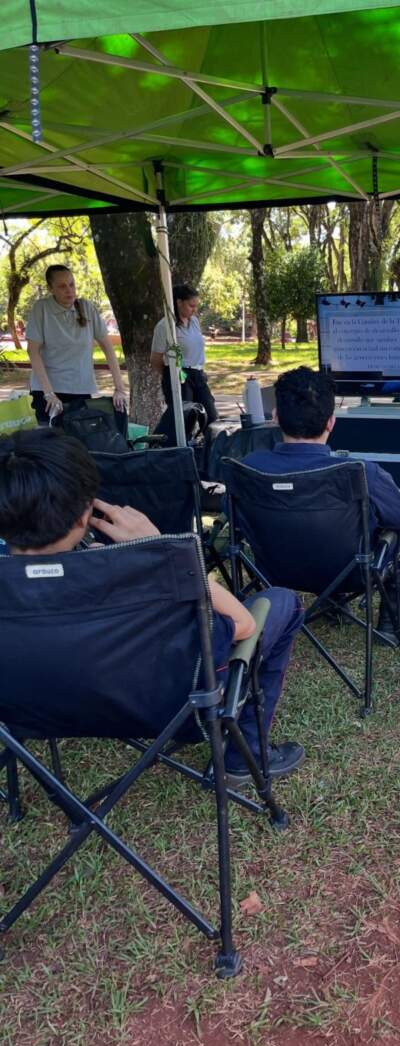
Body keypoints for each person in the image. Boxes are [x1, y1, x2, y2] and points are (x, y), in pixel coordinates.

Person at [0, 427, 304, 787]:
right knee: (282, 601)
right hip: (172, 713)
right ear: (87, 512)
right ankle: (246, 754)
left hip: (26, 713)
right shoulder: (141, 571)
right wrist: (158, 547)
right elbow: (242, 625)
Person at [243, 366, 400, 645]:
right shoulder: (360, 472)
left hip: (273, 571)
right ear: (331, 422)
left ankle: (334, 605)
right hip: (351, 575)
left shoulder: (247, 470)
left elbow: (234, 516)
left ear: (276, 417)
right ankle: (392, 619)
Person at [26, 264, 127, 424]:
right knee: (51, 443)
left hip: (81, 389)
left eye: (71, 284)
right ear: (50, 288)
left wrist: (120, 389)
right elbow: (33, 352)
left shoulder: (87, 307)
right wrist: (49, 394)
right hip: (48, 391)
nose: (69, 290)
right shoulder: (41, 309)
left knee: (78, 444)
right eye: (62, 286)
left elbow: (108, 348)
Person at [151, 283, 218, 424]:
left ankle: (211, 445)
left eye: (196, 306)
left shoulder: (194, 321)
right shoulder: (165, 326)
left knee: (211, 416)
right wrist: (170, 376)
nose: (194, 310)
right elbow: (156, 359)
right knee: (184, 420)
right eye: (191, 306)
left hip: (198, 374)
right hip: (179, 375)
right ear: (179, 303)